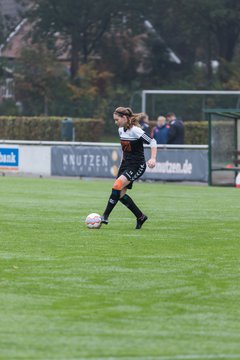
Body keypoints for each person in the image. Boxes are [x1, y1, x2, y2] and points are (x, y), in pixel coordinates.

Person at [101, 106, 157, 229]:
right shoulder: (121, 130)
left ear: (125, 118)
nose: (116, 122)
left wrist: (153, 158)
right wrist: (122, 165)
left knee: (116, 186)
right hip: (126, 165)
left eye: (117, 120)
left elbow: (153, 142)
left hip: (137, 165)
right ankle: (140, 217)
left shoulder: (136, 131)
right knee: (119, 195)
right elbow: (125, 151)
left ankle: (104, 216)